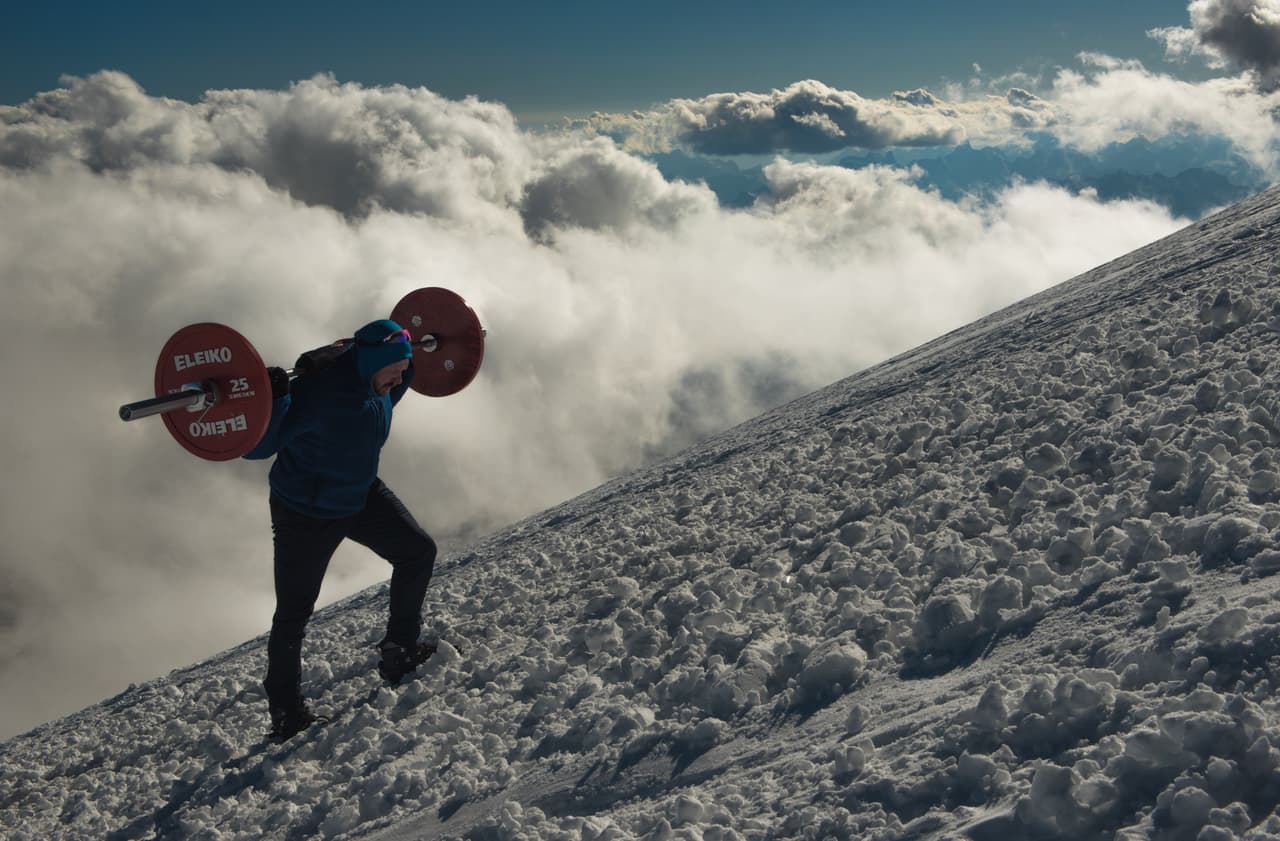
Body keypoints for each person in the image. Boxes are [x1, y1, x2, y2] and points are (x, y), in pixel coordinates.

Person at [244, 318, 438, 740]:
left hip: (361, 495)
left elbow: (404, 368)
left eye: (404, 369)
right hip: (305, 513)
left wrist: (425, 346)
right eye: (395, 369)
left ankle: (399, 651)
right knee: (293, 614)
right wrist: (274, 399)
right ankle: (285, 713)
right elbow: (257, 447)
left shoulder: (384, 382)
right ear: (372, 364)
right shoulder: (318, 394)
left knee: (418, 552)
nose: (401, 378)